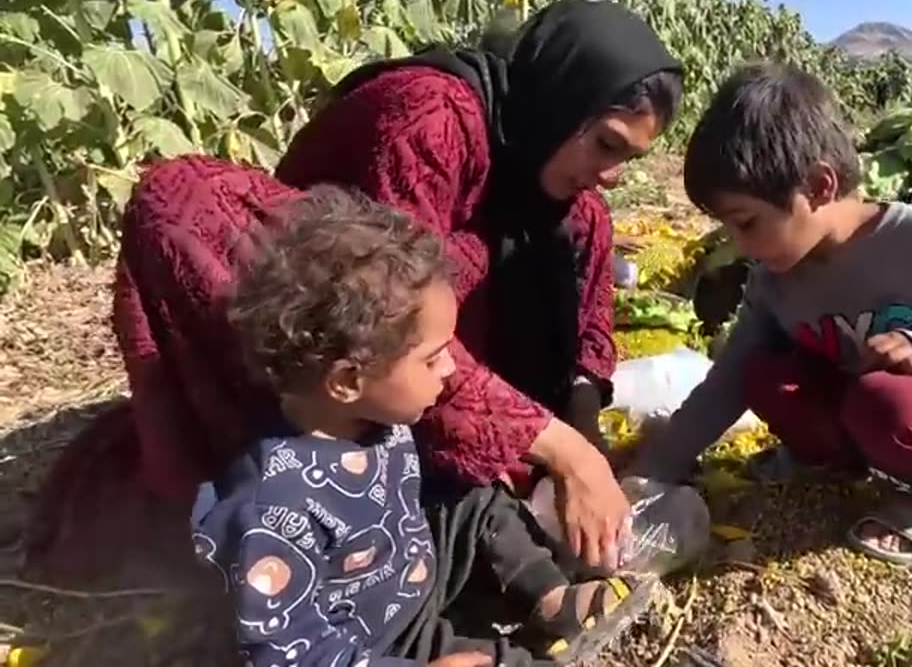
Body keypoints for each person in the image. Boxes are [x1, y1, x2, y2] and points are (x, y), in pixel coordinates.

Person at [23, 0, 683, 584]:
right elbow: (390, 322)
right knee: (183, 199)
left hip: (427, 362)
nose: (613, 176)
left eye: (628, 158)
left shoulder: (574, 204)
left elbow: (590, 337)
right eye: (605, 145)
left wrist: (584, 444)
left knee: (580, 227)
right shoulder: (429, 119)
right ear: (559, 100)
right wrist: (560, 454)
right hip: (341, 349)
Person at [626, 62, 912, 565]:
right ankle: (837, 463)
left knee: (885, 400)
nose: (738, 244)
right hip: (859, 403)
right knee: (763, 375)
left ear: (818, 186)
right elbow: (729, 378)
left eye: (746, 223)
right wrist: (660, 462)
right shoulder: (775, 278)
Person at [197, 186, 653, 667]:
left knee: (476, 503)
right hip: (370, 648)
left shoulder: (378, 419)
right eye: (432, 358)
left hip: (411, 587)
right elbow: (285, 654)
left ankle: (550, 598)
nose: (451, 370)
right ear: (349, 379)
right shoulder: (272, 510)